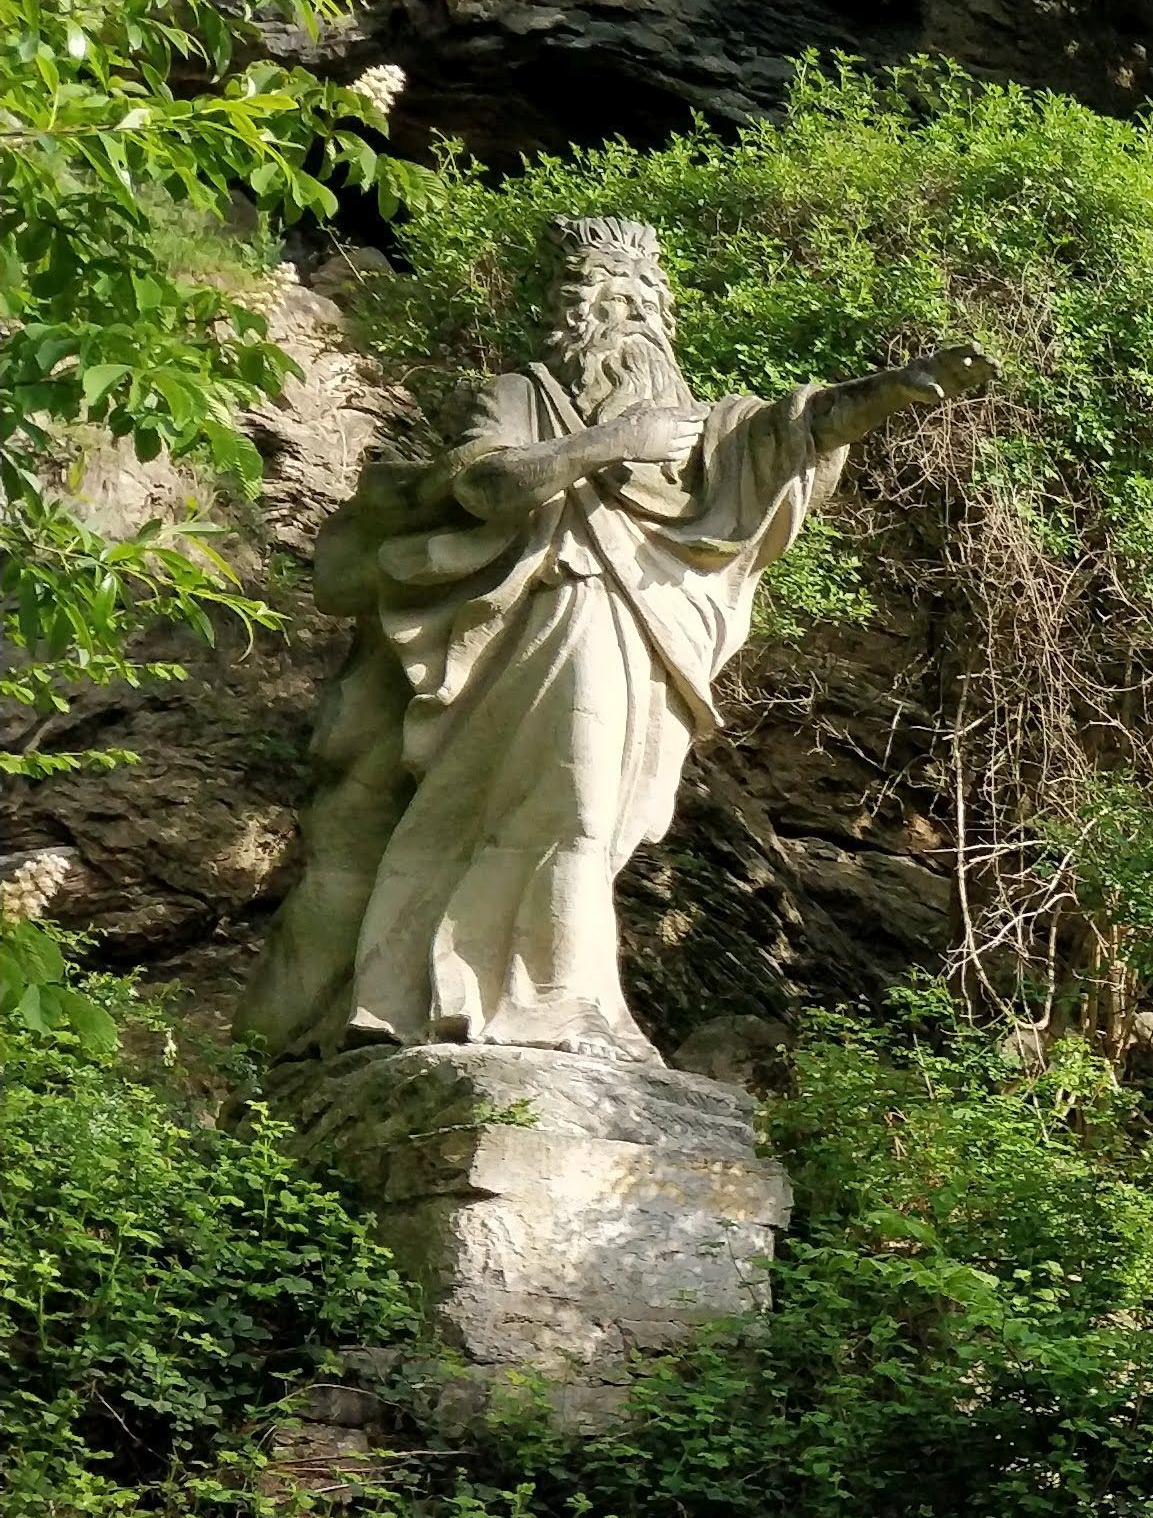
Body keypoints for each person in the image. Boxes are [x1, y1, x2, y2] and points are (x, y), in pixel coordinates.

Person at [244, 215, 988, 1065]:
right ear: (573, 310)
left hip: (647, 632)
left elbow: (795, 428)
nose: (631, 313)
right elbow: (484, 483)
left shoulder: (695, 424)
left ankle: (529, 998)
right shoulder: (524, 394)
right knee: (575, 806)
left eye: (645, 297)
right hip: (558, 614)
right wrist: (604, 446)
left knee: (600, 823)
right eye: (613, 294)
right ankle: (553, 1006)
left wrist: (896, 387)